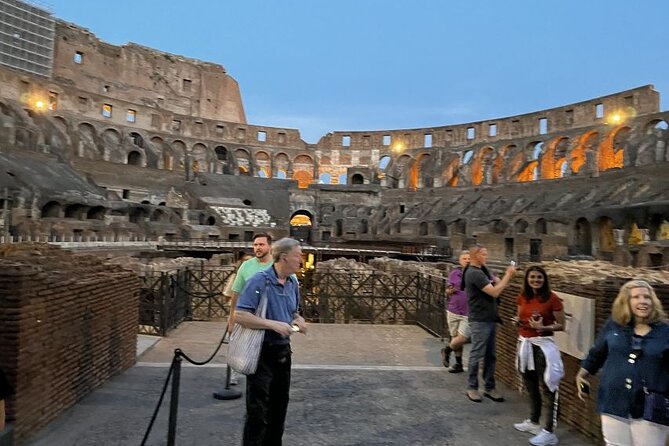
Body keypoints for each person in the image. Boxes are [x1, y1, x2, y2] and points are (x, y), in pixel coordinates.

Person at [576, 279, 669, 446]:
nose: (642, 301)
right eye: (636, 297)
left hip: (651, 407)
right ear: (626, 301)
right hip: (614, 401)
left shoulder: (665, 332)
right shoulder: (613, 326)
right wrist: (582, 375)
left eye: (647, 297)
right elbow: (596, 354)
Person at [235, 237, 307, 446]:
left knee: (279, 407)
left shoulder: (293, 282)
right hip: (261, 352)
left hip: (283, 353)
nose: (301, 260)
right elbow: (240, 315)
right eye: (297, 256)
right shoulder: (259, 281)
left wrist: (299, 320)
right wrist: (272, 324)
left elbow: (293, 312)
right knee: (258, 411)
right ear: (284, 257)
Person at [513, 266, 565, 446]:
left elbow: (561, 325)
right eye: (533, 277)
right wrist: (517, 321)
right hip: (525, 344)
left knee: (549, 387)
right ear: (527, 279)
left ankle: (550, 431)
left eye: (539, 277)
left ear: (545, 279)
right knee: (531, 385)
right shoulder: (523, 296)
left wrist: (543, 328)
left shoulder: (552, 298)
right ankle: (534, 422)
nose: (536, 280)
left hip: (543, 347)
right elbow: (520, 317)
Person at [464, 245, 516, 403]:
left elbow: (494, 283)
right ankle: (472, 387)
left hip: (489, 318)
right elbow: (494, 292)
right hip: (480, 319)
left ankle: (489, 387)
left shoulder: (480, 271)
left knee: (490, 355)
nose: (486, 256)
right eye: (484, 254)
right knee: (477, 354)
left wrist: (498, 279)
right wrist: (509, 275)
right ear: (475, 255)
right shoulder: (474, 273)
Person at [228, 233, 274, 334]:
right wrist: (231, 321)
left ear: (270, 246)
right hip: (249, 319)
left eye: (261, 245)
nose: (258, 248)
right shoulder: (246, 266)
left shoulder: (278, 265)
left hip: (273, 320)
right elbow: (236, 294)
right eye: (255, 245)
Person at [442, 250, 471, 373]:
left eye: (469, 258)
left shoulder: (476, 273)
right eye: (465, 259)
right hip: (454, 310)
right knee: (455, 337)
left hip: (469, 312)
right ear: (460, 261)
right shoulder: (455, 274)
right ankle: (459, 364)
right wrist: (449, 291)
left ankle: (447, 350)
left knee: (462, 338)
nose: (467, 261)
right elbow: (447, 290)